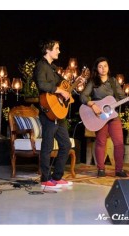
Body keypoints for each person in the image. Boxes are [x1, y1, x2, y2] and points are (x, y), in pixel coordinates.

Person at [80, 57, 129, 178]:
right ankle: (101, 169)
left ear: (108, 67)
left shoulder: (113, 81)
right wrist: (92, 104)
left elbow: (123, 98)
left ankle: (119, 169)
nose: (103, 69)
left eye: (105, 66)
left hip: (113, 115)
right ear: (97, 68)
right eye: (100, 66)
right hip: (99, 116)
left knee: (119, 143)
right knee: (101, 142)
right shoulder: (93, 82)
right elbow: (83, 97)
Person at [35, 39, 80, 188]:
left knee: (66, 145)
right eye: (56, 48)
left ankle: (57, 176)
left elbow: (65, 86)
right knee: (47, 146)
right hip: (48, 113)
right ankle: (45, 178)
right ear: (47, 50)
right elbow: (42, 85)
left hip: (58, 113)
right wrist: (60, 90)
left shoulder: (53, 68)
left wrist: (74, 84)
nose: (59, 51)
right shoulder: (41, 65)